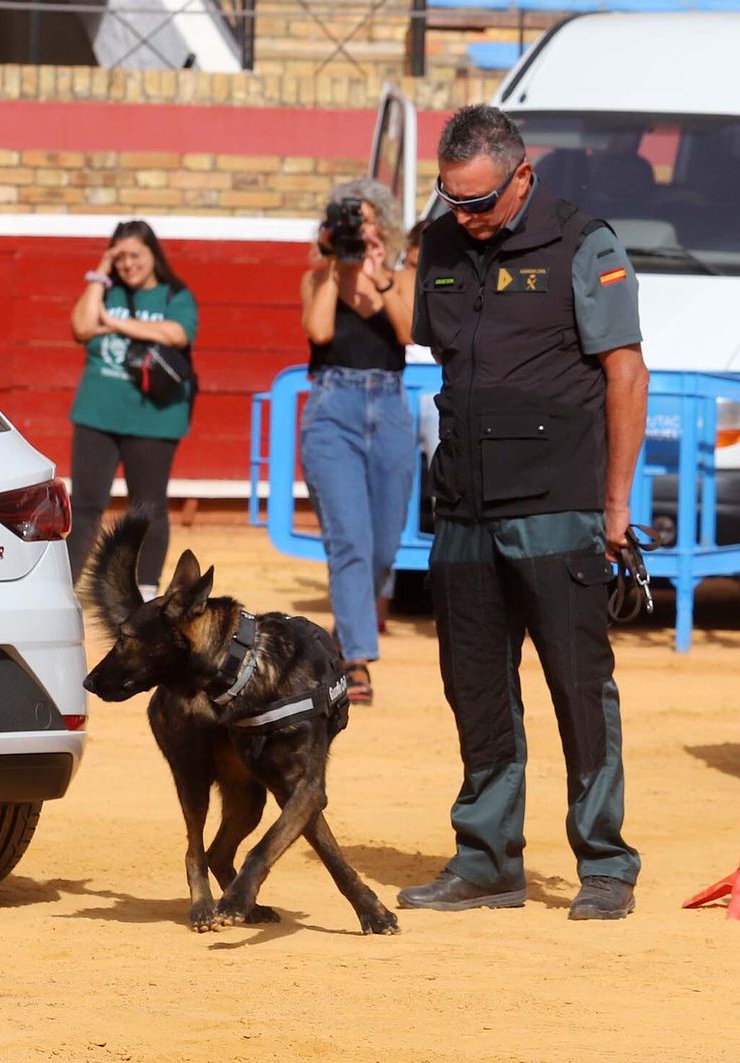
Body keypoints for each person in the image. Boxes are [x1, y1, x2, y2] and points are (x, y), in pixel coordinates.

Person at [397, 104, 648, 921]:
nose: (465, 217)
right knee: (475, 687)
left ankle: (605, 863)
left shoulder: (585, 242)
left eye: (482, 201)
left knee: (579, 685)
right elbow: (437, 346)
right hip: (464, 504)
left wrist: (615, 505)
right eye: (452, 200)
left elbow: (626, 373)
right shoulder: (439, 240)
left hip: (556, 502)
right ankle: (487, 861)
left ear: (524, 175)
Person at [297, 179, 417, 706]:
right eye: (351, 221)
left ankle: (344, 638)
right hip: (333, 409)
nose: (360, 229)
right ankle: (357, 661)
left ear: (383, 226)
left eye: (367, 220)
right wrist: (333, 267)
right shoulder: (317, 277)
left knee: (383, 547)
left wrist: (381, 277)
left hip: (389, 407)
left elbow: (412, 333)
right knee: (349, 540)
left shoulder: (402, 275)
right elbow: (320, 332)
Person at [66, 220, 198, 599]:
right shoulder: (107, 291)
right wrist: (100, 273)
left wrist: (114, 324)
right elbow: (81, 326)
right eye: (119, 256)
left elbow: (179, 334)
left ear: (153, 255)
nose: (128, 264)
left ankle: (147, 589)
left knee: (148, 506)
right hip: (98, 411)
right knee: (86, 504)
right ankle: (69, 590)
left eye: (135, 255)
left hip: (153, 416)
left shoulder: (176, 294)